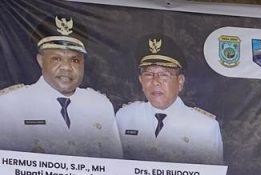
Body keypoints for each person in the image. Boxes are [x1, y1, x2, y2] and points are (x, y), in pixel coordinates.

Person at [0, 15, 122, 157]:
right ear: (41, 61)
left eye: (74, 60)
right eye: (56, 58)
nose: (66, 67)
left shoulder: (100, 106)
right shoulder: (9, 105)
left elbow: (114, 163)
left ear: (83, 63)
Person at [115, 35, 223, 164]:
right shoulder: (125, 117)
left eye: (164, 75)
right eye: (148, 74)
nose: (155, 81)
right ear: (141, 81)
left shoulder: (205, 127)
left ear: (180, 82)